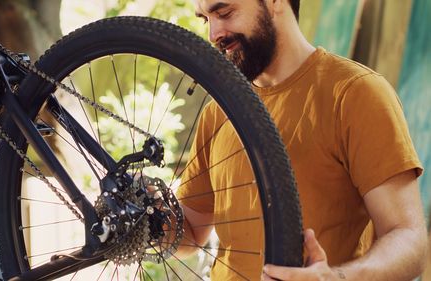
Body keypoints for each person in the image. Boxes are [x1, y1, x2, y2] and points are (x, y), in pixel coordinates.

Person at [174, 0, 428, 280]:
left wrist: (335, 277)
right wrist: (141, 220)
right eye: (205, 20)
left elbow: (409, 240)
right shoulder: (218, 110)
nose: (213, 34)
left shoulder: (355, 93)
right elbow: (191, 231)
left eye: (224, 13)